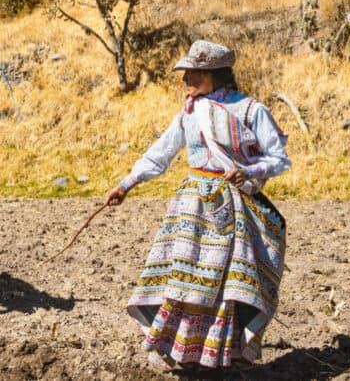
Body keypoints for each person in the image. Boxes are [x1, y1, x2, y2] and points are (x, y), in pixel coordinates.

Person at [104, 40, 290, 370]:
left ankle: (224, 356)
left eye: (195, 72)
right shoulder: (190, 112)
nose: (186, 78)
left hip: (231, 208)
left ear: (216, 74)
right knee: (183, 279)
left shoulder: (250, 110)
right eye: (186, 72)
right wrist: (126, 184)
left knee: (222, 285)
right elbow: (161, 152)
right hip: (190, 208)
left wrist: (248, 170)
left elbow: (278, 159)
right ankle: (183, 353)